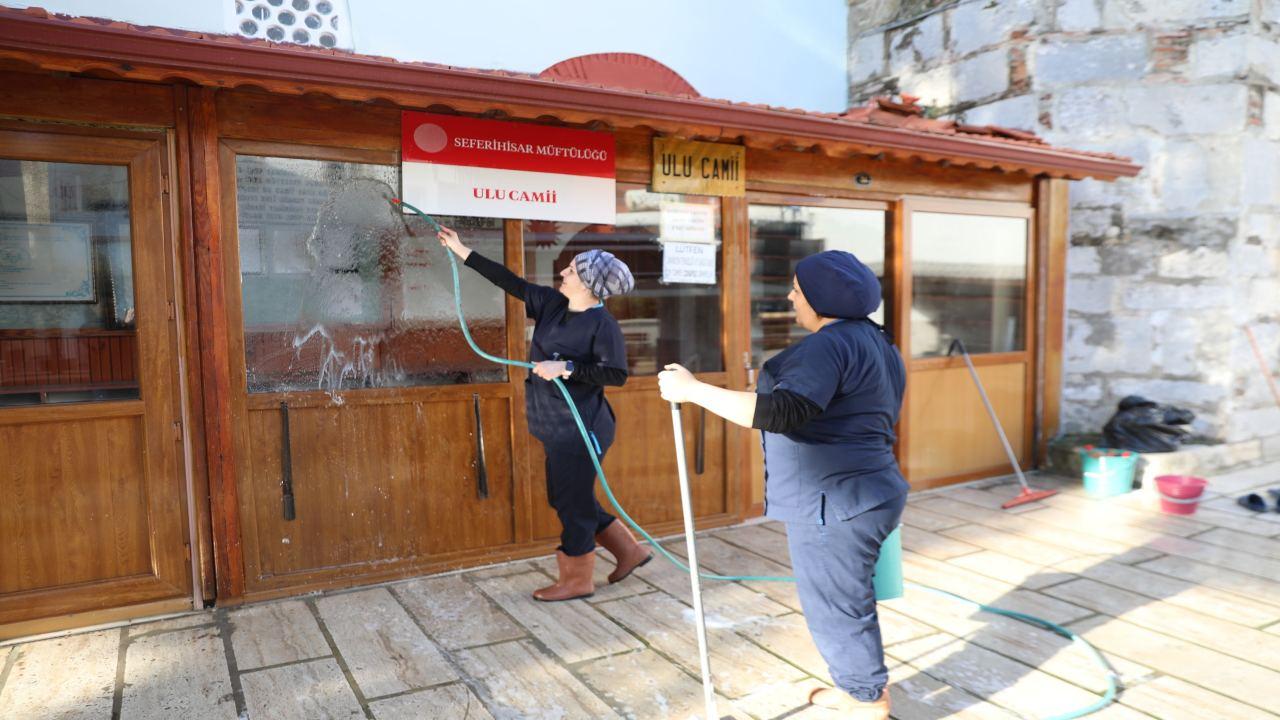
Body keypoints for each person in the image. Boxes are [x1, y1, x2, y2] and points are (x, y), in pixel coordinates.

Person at [658, 250, 907, 718]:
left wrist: (692, 391)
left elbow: (784, 412)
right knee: (849, 597)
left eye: (797, 288)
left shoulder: (826, 347)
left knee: (836, 605)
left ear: (820, 298)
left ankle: (866, 701)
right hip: (873, 490)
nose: (791, 296)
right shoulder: (876, 341)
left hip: (836, 503)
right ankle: (861, 688)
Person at [438, 227, 652, 601]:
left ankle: (577, 578)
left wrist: (566, 367)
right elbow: (510, 282)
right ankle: (629, 551)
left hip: (582, 429)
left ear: (588, 283)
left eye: (572, 270)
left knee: (572, 502)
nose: (563, 273)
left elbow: (616, 375)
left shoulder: (604, 326)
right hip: (553, 424)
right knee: (567, 497)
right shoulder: (553, 304)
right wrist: (461, 250)